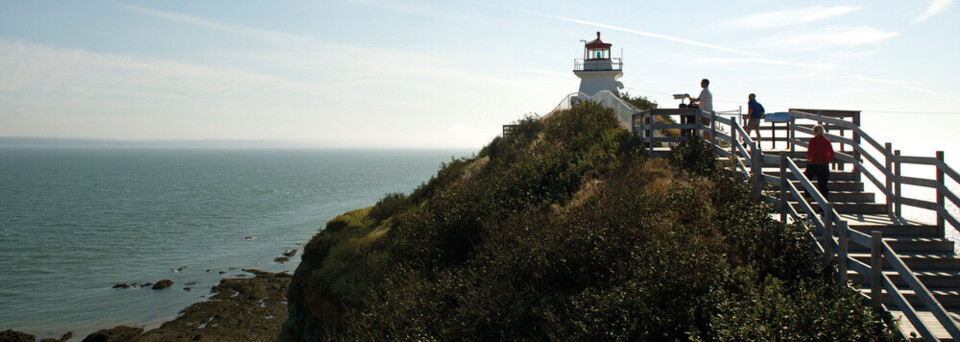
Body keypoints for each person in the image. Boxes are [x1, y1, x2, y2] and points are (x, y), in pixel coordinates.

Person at [805, 125, 835, 203]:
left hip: (814, 164)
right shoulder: (827, 141)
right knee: (823, 187)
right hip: (824, 166)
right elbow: (831, 155)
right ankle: (823, 209)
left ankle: (808, 196)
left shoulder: (812, 141)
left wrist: (810, 157)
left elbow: (809, 153)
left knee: (805, 180)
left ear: (814, 132)